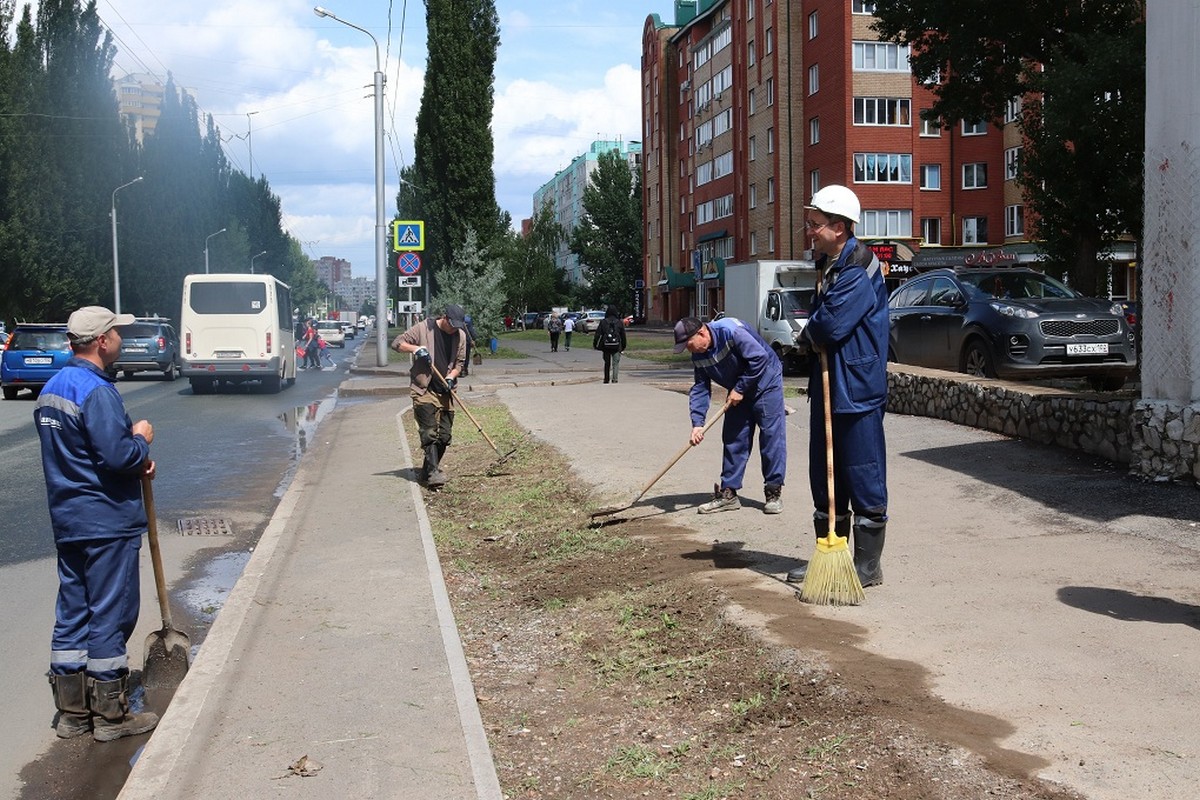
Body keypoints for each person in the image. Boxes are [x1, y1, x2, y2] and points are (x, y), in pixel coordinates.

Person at [35, 305, 160, 742]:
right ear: (103, 341)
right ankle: (112, 716)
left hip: (70, 519)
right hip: (106, 520)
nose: (121, 340)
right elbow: (115, 455)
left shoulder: (53, 389)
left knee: (73, 612)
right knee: (111, 612)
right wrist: (140, 441)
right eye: (117, 333)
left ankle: (72, 713)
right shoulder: (96, 391)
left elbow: (78, 456)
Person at [785, 184, 889, 587]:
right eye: (809, 223)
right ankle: (831, 553)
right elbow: (821, 325)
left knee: (862, 472)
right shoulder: (828, 264)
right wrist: (814, 332)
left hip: (856, 386)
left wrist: (812, 333)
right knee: (824, 475)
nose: (810, 230)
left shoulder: (858, 267)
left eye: (815, 224)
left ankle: (867, 566)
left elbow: (828, 325)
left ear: (840, 227)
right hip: (829, 382)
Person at [674, 315, 787, 515]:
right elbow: (701, 388)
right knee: (734, 437)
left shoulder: (731, 331)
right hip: (738, 390)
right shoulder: (699, 355)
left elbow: (759, 358)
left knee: (771, 437)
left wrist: (741, 388)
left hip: (766, 382)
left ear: (701, 333)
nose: (689, 350)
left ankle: (773, 492)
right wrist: (697, 423)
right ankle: (729, 493)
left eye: (689, 345)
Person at [390, 304, 468, 489]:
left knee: (445, 436)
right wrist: (415, 349)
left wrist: (451, 376)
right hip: (424, 389)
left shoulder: (460, 335)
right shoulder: (424, 327)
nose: (454, 329)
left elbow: (460, 363)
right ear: (445, 317)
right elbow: (396, 343)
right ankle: (434, 473)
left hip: (446, 391)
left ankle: (427, 470)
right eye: (452, 324)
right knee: (429, 432)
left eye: (458, 326)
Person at [593, 305, 627, 384]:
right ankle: (615, 379)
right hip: (617, 346)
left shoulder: (603, 322)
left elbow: (597, 334)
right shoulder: (619, 322)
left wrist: (595, 344)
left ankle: (606, 378)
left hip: (606, 346)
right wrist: (623, 346)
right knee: (615, 363)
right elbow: (623, 336)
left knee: (607, 363)